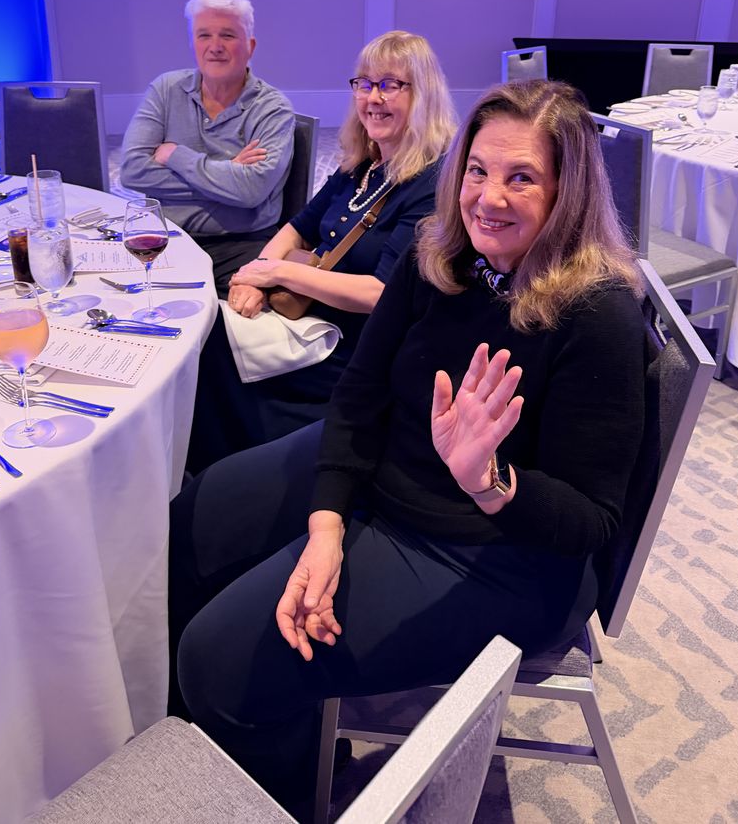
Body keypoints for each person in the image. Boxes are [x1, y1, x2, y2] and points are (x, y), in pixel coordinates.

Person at [169, 79, 646, 816]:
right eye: (478, 170)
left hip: (495, 556)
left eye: (521, 178)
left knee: (216, 664)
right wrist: (327, 525)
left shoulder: (596, 315)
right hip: (390, 481)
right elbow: (359, 396)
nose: (488, 197)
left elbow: (592, 522)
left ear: (569, 193)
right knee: (191, 526)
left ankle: (279, 785)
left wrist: (488, 480)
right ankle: (262, 735)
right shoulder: (441, 259)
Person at [185, 29, 457, 471]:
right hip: (307, 316)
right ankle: (202, 466)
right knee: (205, 330)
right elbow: (298, 227)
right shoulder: (364, 165)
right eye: (364, 83)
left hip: (354, 346)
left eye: (390, 85)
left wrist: (278, 274)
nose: (373, 97)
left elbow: (380, 293)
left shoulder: (432, 184)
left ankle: (216, 474)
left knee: (212, 348)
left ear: (423, 94)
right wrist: (254, 276)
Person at [120, 0, 295, 295]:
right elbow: (132, 171)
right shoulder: (165, 89)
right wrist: (228, 172)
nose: (215, 47)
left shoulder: (272, 108)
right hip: (168, 239)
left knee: (236, 315)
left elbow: (251, 191)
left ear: (250, 46)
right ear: (193, 43)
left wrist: (176, 156)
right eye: (204, 35)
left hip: (241, 246)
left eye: (228, 35)